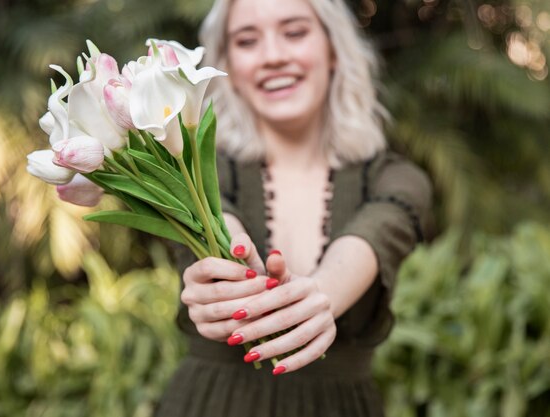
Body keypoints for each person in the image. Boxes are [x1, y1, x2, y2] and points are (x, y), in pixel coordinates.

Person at [155, 0, 432, 416]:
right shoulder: (191, 171)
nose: (273, 56)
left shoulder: (396, 179)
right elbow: (213, 214)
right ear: (226, 65)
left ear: (333, 49)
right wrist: (225, 279)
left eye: (295, 32)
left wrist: (320, 297)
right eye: (247, 41)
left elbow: (379, 230)